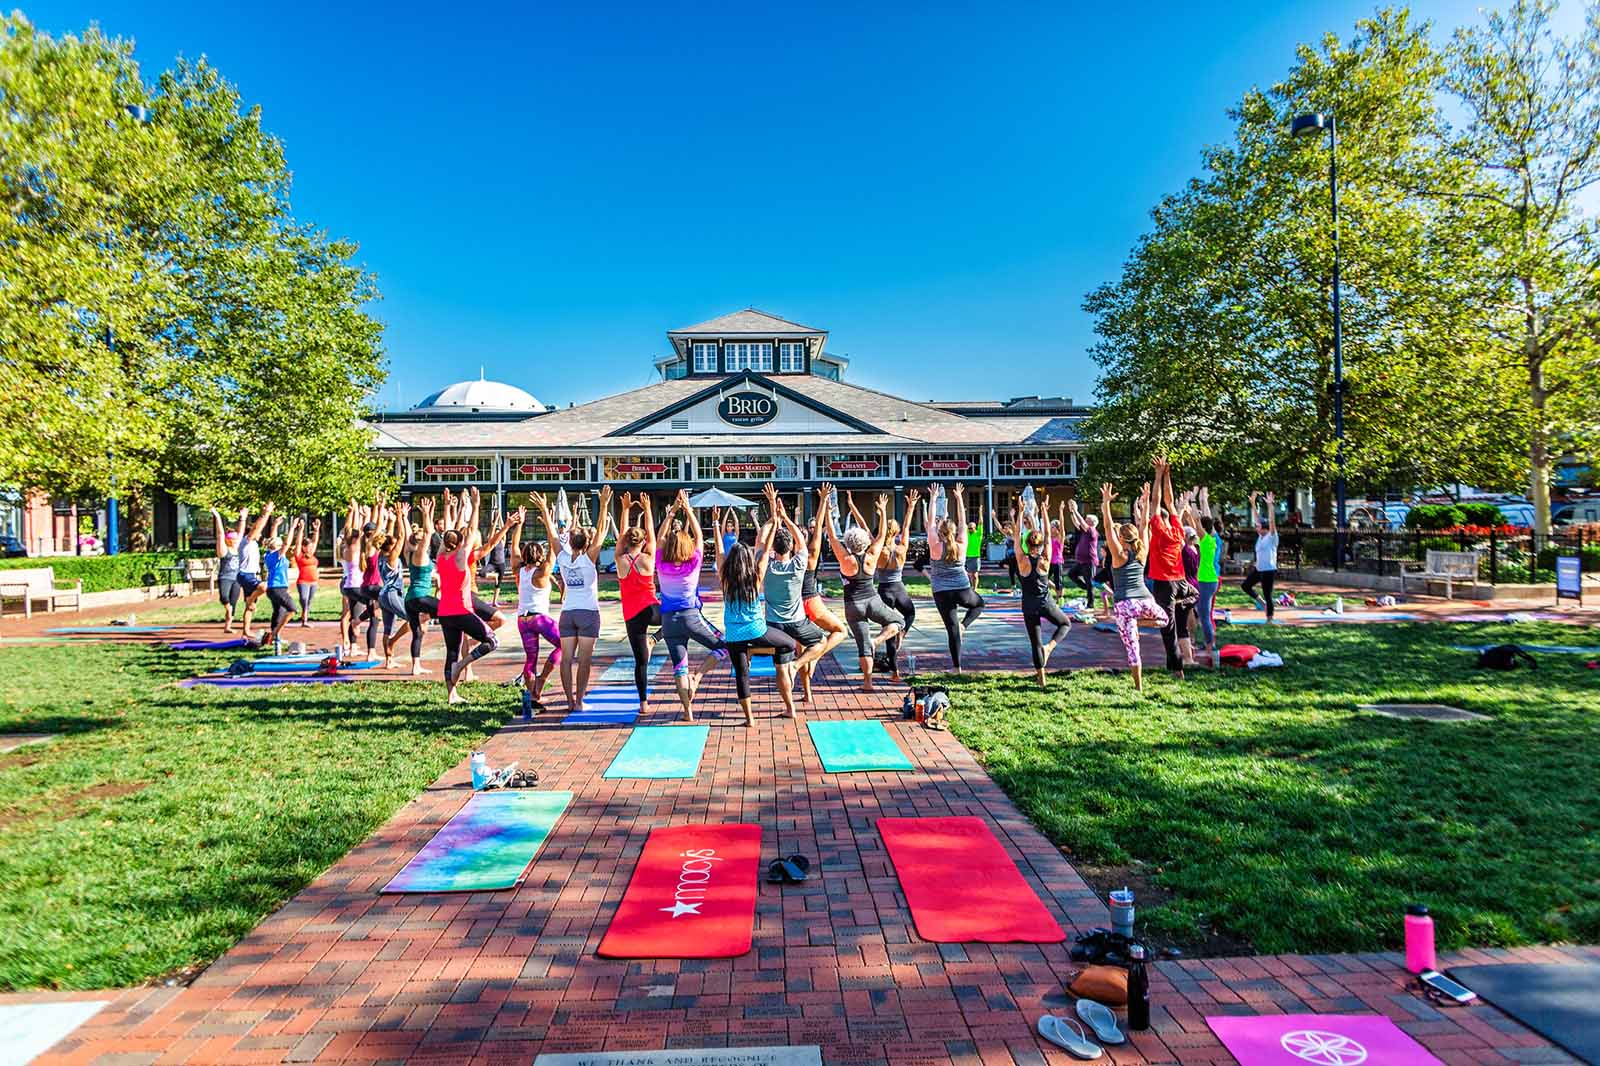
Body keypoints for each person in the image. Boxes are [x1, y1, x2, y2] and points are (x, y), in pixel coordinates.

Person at [760, 483, 842, 709]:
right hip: (806, 608)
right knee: (824, 640)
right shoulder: (803, 560)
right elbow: (811, 537)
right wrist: (821, 503)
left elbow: (762, 544)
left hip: (775, 624)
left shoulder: (767, 565)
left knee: (784, 661)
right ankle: (804, 667)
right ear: (796, 542)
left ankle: (793, 705)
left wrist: (775, 517)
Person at [717, 506, 800, 725]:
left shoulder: (725, 580)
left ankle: (750, 718)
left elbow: (719, 552)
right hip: (756, 630)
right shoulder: (755, 578)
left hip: (734, 636)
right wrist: (773, 519)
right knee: (790, 644)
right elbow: (764, 550)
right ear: (747, 561)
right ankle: (758, 650)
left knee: (742, 675)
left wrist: (716, 525)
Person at [655, 489, 725, 721]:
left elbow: (661, 537)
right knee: (724, 646)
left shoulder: (661, 563)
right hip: (691, 618)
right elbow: (698, 536)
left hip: (669, 624)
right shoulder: (693, 562)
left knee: (679, 668)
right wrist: (689, 511)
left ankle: (688, 712)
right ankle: (699, 674)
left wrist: (673, 512)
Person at [827, 491, 904, 692]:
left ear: (849, 543)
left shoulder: (845, 558)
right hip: (872, 600)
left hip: (852, 605)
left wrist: (827, 512)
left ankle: (867, 683)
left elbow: (833, 536)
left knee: (862, 645)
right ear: (864, 542)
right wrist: (882, 511)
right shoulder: (872, 554)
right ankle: (877, 641)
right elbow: (880, 535)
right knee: (899, 621)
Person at [437, 487, 503, 704]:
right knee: (492, 641)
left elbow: (448, 532)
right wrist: (475, 505)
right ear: (460, 543)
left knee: (451, 652)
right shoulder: (461, 557)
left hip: (444, 613)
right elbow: (472, 529)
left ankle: (451, 695)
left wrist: (449, 508)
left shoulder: (441, 556)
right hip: (462, 610)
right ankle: (464, 665)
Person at [1102, 481, 1167, 692]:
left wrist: (1106, 503)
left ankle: (1138, 687)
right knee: (1164, 619)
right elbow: (1145, 525)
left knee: (1133, 648)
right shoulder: (1142, 551)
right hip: (1145, 600)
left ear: (1121, 538)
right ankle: (1140, 624)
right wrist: (1145, 501)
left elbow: (1106, 527)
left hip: (1125, 605)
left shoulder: (1118, 555)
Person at [554, 486, 611, 712]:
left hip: (567, 613)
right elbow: (599, 533)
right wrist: (604, 504)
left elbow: (552, 536)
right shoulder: (589, 558)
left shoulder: (563, 557)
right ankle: (579, 702)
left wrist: (548, 516)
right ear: (586, 545)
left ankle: (569, 699)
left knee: (566, 659)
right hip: (588, 613)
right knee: (584, 661)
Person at [855, 490, 918, 682]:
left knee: (889, 627)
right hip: (899, 590)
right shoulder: (901, 547)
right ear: (897, 532)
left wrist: (852, 505)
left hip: (883, 591)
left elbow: (864, 527)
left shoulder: (878, 547)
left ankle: (895, 672)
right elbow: (907, 525)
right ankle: (903, 632)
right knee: (910, 614)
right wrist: (911, 506)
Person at [924, 482, 985, 673]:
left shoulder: (935, 545)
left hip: (941, 592)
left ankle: (957, 668)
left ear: (940, 533)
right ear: (953, 531)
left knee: (952, 629)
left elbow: (931, 521)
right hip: (962, 589)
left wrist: (933, 499)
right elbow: (962, 522)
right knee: (979, 604)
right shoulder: (962, 543)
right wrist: (959, 498)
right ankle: (964, 625)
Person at [1014, 496, 1074, 687]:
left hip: (1028, 605)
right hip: (1045, 602)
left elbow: (1016, 536)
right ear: (1039, 545)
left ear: (1028, 544)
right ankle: (1049, 647)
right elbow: (1048, 535)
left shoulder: (1022, 560)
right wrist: (1045, 512)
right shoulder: (1045, 559)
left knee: (1035, 641)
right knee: (1065, 624)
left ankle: (1041, 678)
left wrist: (1021, 512)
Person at [508, 501, 560, 713]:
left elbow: (513, 546)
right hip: (540, 619)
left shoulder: (518, 571)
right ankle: (541, 681)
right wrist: (549, 522)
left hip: (522, 620)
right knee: (564, 645)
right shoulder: (543, 572)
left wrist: (518, 524)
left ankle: (533, 697)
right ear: (539, 555)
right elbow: (554, 549)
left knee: (531, 659)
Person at [1145, 457, 1194, 677]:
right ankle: (1183, 602)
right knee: (1194, 594)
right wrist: (1167, 475)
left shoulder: (1160, 530)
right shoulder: (1177, 531)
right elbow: (1170, 500)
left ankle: (1178, 670)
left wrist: (1158, 474)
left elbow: (1157, 500)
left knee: (1168, 629)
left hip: (1165, 584)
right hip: (1181, 582)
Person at [798, 488, 848, 701]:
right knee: (840, 631)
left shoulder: (785, 558)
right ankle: (817, 655)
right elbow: (818, 528)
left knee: (800, 652)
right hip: (812, 602)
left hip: (794, 606)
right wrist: (823, 503)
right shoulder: (810, 556)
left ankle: (807, 693)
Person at [616, 492, 662, 714]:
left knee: (641, 662)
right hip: (652, 610)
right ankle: (656, 638)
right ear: (642, 542)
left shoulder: (619, 559)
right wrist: (648, 509)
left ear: (626, 541)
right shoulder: (648, 557)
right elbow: (652, 536)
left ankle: (643, 703)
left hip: (632, 614)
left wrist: (625, 510)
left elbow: (622, 538)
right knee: (680, 615)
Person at [383, 495, 438, 676]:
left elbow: (406, 536)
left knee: (418, 632)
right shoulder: (421, 555)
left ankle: (416, 667)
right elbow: (429, 532)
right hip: (420, 597)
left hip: (409, 599)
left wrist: (404, 518)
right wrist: (427, 513)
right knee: (449, 610)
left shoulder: (408, 553)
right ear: (421, 543)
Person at [258, 516, 304, 649]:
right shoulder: (276, 555)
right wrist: (292, 528)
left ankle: (274, 638)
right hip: (277, 588)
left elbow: (273, 540)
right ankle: (274, 634)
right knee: (292, 609)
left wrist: (275, 526)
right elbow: (286, 544)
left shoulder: (268, 554)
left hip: (275, 588)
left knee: (278, 613)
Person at [1240, 491, 1280, 622]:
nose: (1256, 527)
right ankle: (1261, 603)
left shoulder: (1271, 537)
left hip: (1269, 570)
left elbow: (1272, 521)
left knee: (1268, 595)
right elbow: (1257, 518)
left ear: (1264, 528)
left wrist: (1270, 505)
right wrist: (1252, 503)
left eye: (1258, 526)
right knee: (1246, 586)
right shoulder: (1261, 536)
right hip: (1259, 569)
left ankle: (1269, 619)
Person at [234, 504, 272, 642]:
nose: (260, 534)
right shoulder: (247, 541)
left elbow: (269, 539)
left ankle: (245, 631)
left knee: (249, 607)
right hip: (245, 574)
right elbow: (257, 527)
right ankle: (250, 600)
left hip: (251, 575)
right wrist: (265, 514)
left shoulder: (254, 544)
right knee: (264, 587)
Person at [1195, 492, 1223, 666]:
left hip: (1207, 580)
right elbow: (1206, 521)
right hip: (1211, 579)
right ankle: (1209, 642)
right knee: (1204, 614)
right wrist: (1203, 500)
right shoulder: (1213, 539)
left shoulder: (1206, 540)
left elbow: (1199, 523)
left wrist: (1192, 507)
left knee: (1205, 615)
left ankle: (1210, 645)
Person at [209, 508, 243, 632]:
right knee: (224, 598)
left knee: (233, 602)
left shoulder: (238, 548)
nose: (235, 541)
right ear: (228, 540)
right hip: (225, 577)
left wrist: (242, 517)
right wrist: (217, 517)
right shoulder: (224, 550)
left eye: (236, 539)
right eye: (232, 539)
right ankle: (228, 610)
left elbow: (241, 530)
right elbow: (220, 534)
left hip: (237, 579)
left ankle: (227, 626)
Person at [1065, 498, 1100, 599]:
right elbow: (1076, 522)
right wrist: (1072, 511)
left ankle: (1090, 603)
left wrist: (1076, 510)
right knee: (1071, 574)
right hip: (1081, 561)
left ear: (1092, 522)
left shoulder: (1092, 531)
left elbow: (1081, 522)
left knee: (1089, 581)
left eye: (1086, 520)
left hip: (1089, 561)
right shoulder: (1085, 531)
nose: (1084, 520)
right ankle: (1086, 587)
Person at [293, 519, 320, 627]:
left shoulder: (312, 554)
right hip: (303, 581)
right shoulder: (299, 555)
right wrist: (301, 529)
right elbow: (298, 542)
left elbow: (315, 541)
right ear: (303, 547)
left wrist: (316, 530)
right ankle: (304, 617)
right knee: (304, 599)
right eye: (307, 546)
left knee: (309, 601)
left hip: (314, 582)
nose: (309, 548)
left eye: (310, 546)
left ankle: (305, 620)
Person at [964, 512, 985, 583]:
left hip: (975, 557)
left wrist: (980, 513)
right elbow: (962, 522)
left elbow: (981, 523)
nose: (969, 529)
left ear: (974, 528)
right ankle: (970, 588)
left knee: (975, 575)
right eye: (968, 528)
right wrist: (963, 512)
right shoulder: (967, 533)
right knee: (969, 575)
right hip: (966, 556)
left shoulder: (978, 534)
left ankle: (975, 589)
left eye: (971, 528)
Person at [1048, 518, 1066, 599]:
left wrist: (1061, 511)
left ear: (1057, 528)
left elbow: (1062, 526)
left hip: (1057, 562)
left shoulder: (1060, 537)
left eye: (1052, 527)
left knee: (1058, 581)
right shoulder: (1049, 537)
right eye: (1050, 526)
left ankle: (1060, 598)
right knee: (1043, 579)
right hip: (1049, 562)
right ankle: (1057, 590)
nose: (1050, 528)